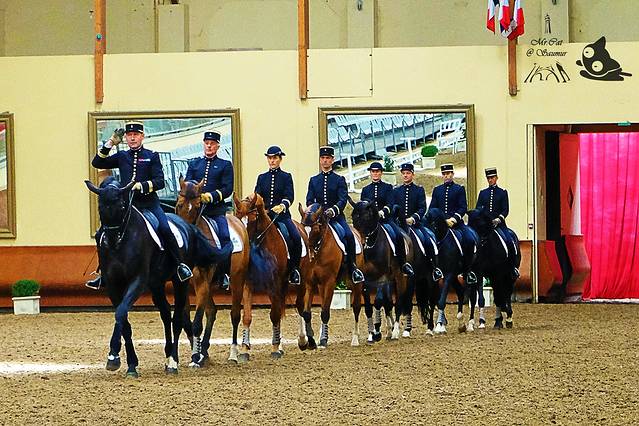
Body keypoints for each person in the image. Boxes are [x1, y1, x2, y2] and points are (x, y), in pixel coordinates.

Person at [86, 121, 192, 289]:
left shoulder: (152, 156)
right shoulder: (122, 156)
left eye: (136, 135)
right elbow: (97, 162)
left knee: (165, 228)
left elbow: (160, 181)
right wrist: (111, 143)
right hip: (128, 205)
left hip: (149, 204)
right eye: (129, 135)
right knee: (101, 233)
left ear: (142, 136)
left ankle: (180, 265)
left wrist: (141, 186)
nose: (132, 138)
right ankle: (103, 273)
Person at [306, 146, 364, 283]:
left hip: (335, 218)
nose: (325, 160)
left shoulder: (339, 179)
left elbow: (343, 199)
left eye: (328, 158)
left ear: (332, 160)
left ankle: (353, 268)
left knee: (349, 236)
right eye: (323, 158)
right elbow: (309, 200)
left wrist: (334, 210)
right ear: (320, 160)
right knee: (306, 235)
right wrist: (315, 211)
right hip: (319, 219)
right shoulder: (314, 180)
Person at [185, 131, 234, 290]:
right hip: (196, 211)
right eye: (206, 143)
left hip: (215, 211)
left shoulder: (225, 165)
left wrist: (211, 196)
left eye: (212, 144)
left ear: (218, 146)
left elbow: (227, 189)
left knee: (224, 236)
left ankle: (224, 273)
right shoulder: (194, 164)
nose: (209, 146)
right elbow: (187, 185)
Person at [254, 145, 302, 285]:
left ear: (280, 159)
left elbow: (289, 195)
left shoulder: (286, 177)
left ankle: (294, 269)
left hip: (282, 216)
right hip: (265, 216)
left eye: (275, 158)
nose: (272, 161)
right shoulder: (262, 178)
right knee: (251, 236)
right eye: (270, 158)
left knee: (295, 237)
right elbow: (257, 195)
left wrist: (282, 205)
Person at [361, 161, 414, 276]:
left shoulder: (388, 187)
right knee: (360, 237)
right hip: (370, 223)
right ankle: (360, 265)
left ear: (381, 173)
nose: (375, 174)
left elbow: (390, 203)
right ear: (370, 173)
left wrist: (383, 212)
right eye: (373, 171)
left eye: (377, 171)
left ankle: (403, 263)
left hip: (385, 220)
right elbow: (363, 206)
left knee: (398, 235)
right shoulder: (365, 189)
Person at [392, 162, 442, 281]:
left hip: (415, 225)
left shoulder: (419, 190)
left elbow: (422, 207)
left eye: (408, 173)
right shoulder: (396, 191)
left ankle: (434, 267)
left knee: (428, 240)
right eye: (403, 173)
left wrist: (413, 218)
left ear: (413, 174)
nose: (405, 175)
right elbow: (394, 207)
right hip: (400, 225)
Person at [428, 163, 477, 283]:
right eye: (444, 174)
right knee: (429, 241)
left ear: (452, 174)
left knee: (470, 240)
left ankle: (468, 271)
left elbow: (463, 207)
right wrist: (439, 219)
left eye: (448, 173)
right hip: (441, 225)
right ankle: (435, 269)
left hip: (456, 224)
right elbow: (432, 208)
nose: (446, 176)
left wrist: (454, 219)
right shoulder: (437, 190)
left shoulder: (459, 189)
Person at [476, 167, 520, 278]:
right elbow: (478, 208)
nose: (490, 180)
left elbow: (505, 210)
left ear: (496, 178)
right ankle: (473, 270)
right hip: (486, 226)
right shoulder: (483, 193)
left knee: (509, 240)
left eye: (492, 177)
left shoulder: (502, 193)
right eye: (488, 178)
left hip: (499, 224)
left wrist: (498, 219)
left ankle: (513, 267)